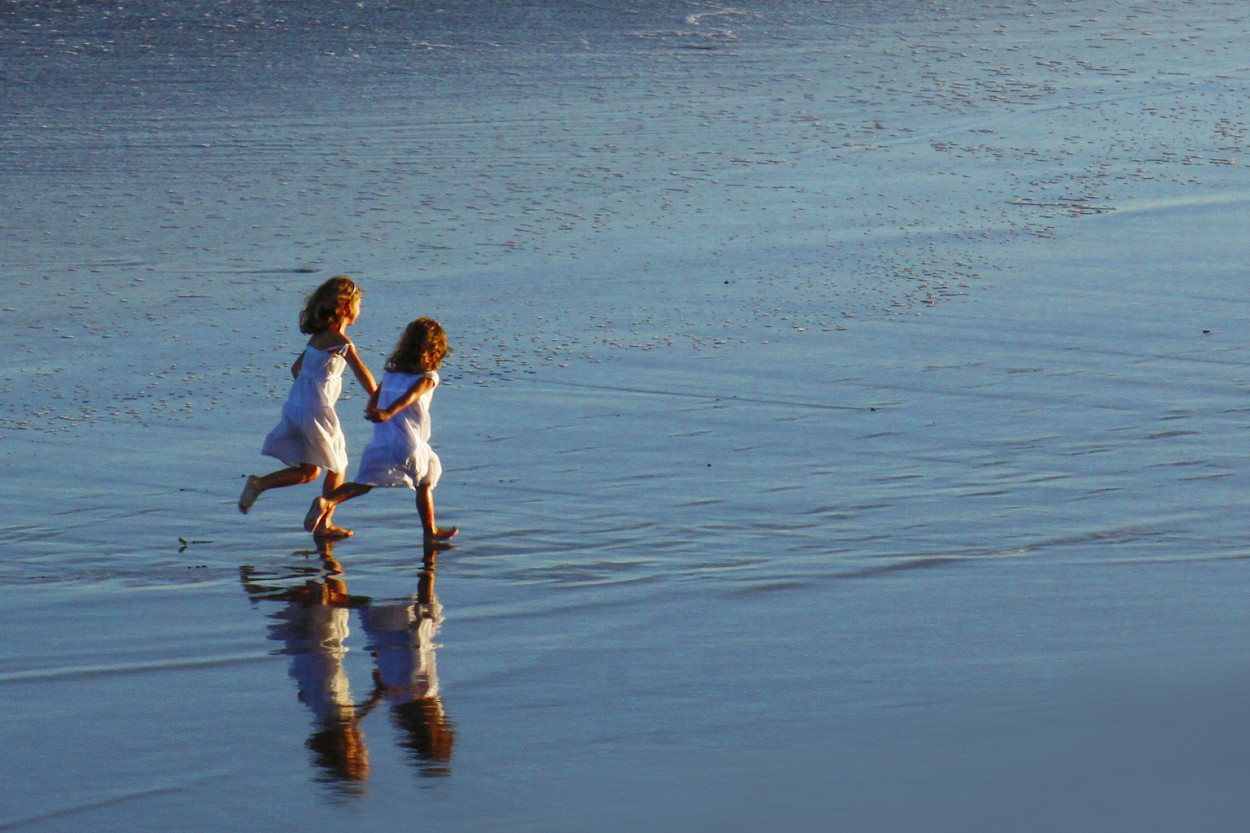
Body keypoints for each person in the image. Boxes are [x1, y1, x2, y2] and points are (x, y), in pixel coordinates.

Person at [239, 276, 377, 539]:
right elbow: (364, 377)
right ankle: (325, 520)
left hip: (296, 406)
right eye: (359, 305)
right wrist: (379, 397)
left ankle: (259, 484)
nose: (361, 310)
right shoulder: (341, 343)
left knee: (309, 471)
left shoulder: (317, 339)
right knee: (338, 467)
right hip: (318, 410)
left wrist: (310, 388)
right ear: (347, 308)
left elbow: (296, 369)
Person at [304, 317, 458, 543]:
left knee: (363, 485)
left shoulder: (392, 373)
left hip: (382, 442)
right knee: (424, 484)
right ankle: (430, 532)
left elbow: (378, 392)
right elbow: (411, 395)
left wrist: (373, 406)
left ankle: (327, 501)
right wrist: (389, 412)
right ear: (434, 350)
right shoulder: (428, 377)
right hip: (409, 445)